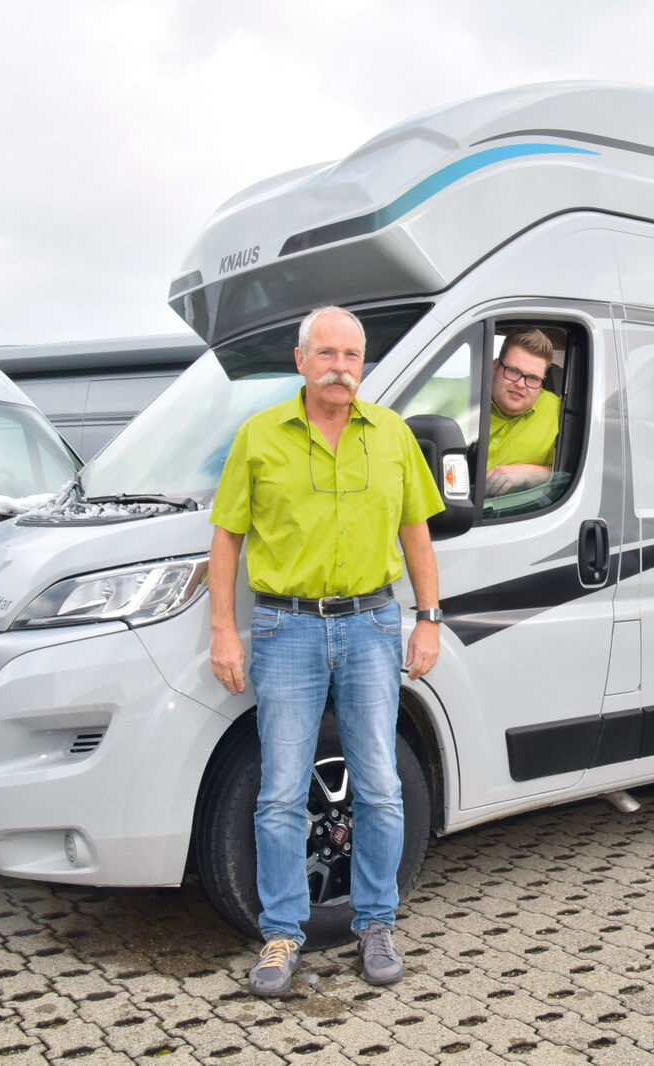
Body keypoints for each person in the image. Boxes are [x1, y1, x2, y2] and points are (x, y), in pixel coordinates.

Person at [207, 306, 445, 996]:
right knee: (280, 791)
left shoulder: (393, 436)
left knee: (380, 786)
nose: (341, 366)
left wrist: (427, 621)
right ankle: (282, 934)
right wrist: (225, 629)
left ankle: (376, 924)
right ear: (301, 359)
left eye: (352, 355)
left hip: (372, 625)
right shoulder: (258, 437)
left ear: (362, 364)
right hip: (287, 630)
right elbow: (226, 538)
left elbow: (416, 536)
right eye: (328, 353)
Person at [484, 328, 560, 495]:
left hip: (518, 517)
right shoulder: (461, 395)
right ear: (495, 367)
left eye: (533, 378)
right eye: (513, 371)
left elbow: (577, 470)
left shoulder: (561, 413)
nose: (520, 384)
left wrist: (527, 473)